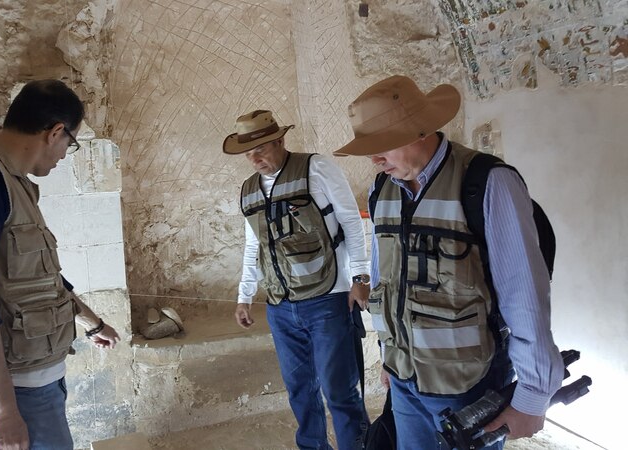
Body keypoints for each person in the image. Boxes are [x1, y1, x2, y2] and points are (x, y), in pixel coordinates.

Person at [334, 75, 564, 450]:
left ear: (420, 130)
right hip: (406, 381)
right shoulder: (382, 190)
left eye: (383, 146)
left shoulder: (487, 183)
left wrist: (533, 394)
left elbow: (524, 295)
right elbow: (385, 276)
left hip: (468, 386)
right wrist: (391, 355)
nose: (374, 160)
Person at [0, 79, 120, 450]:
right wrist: (3, 413)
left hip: (32, 384)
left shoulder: (13, 183)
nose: (63, 155)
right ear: (56, 132)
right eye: (69, 144)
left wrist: (92, 324)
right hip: (9, 393)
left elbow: (40, 280)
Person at [224, 110, 371, 450]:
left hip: (328, 300)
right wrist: (244, 295)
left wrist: (360, 276)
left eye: (261, 148)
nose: (255, 158)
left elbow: (351, 221)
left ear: (280, 140)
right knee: (300, 390)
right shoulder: (248, 191)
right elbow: (253, 247)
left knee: (340, 391)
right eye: (248, 153)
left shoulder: (316, 168)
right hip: (280, 306)